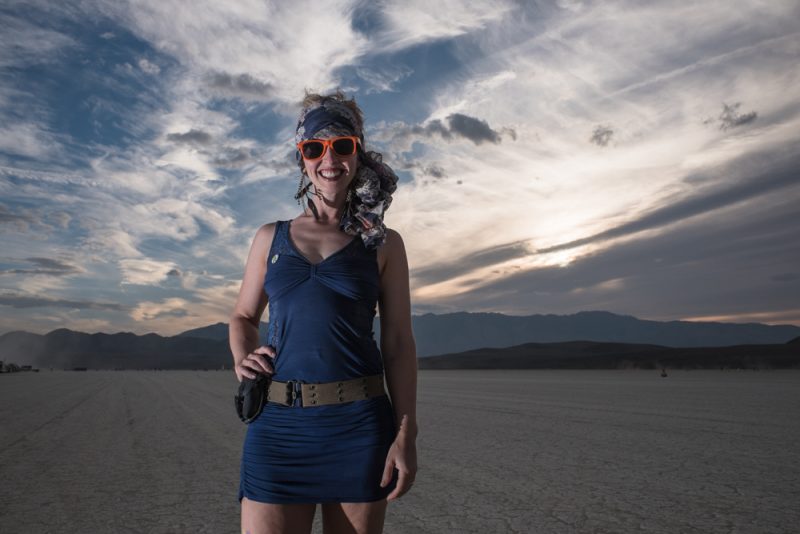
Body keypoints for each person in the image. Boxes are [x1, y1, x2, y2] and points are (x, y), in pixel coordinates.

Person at [229, 89, 418, 534]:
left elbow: (397, 343)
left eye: (342, 146)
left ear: (358, 153)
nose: (328, 159)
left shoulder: (384, 244)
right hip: (277, 429)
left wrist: (406, 432)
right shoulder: (268, 238)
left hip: (359, 428)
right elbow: (242, 316)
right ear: (302, 158)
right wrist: (243, 356)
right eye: (314, 148)